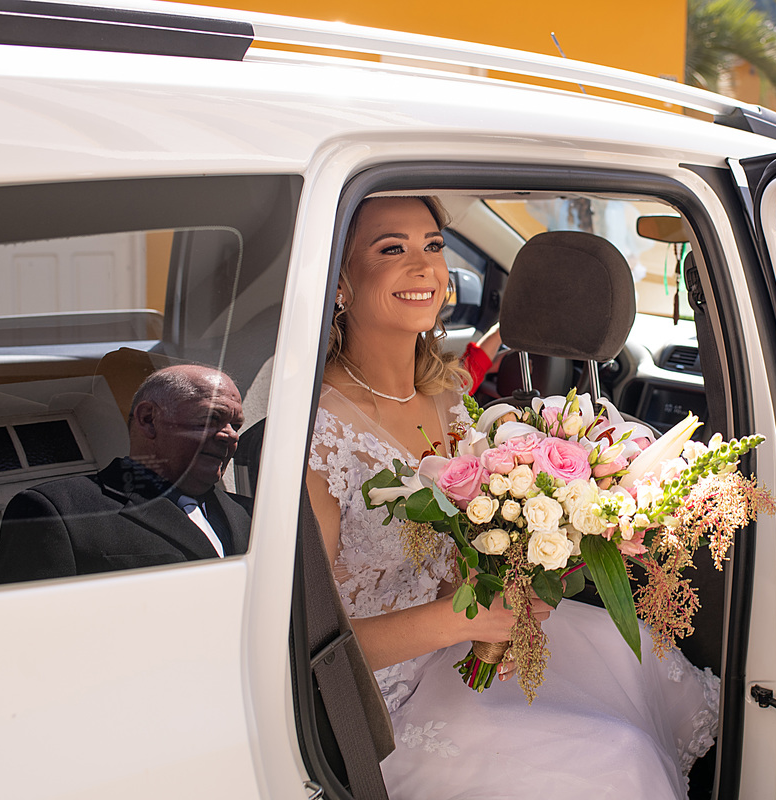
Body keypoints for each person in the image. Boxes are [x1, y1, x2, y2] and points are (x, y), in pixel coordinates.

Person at [306, 196, 718, 799]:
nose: (423, 267)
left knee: (633, 656)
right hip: (376, 705)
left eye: (433, 246)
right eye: (392, 248)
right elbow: (309, 646)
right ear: (339, 281)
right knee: (618, 755)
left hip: (457, 643)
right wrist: (456, 618)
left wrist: (513, 572)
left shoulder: (445, 397)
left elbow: (454, 549)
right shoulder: (317, 433)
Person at [0, 365, 250, 584]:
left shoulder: (254, 515)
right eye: (211, 418)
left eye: (235, 425)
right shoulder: (59, 511)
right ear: (148, 419)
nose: (231, 435)